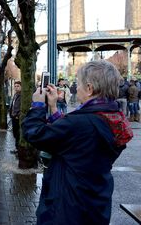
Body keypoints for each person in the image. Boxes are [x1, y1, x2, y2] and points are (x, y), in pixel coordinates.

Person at [22, 60, 133, 224]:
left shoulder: (81, 123)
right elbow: (74, 140)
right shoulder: (113, 118)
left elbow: (35, 134)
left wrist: (38, 105)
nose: (76, 88)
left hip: (67, 207)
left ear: (89, 88)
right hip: (95, 202)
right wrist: (53, 109)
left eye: (78, 84)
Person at [9, 81, 22, 154]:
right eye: (15, 86)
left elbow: (23, 107)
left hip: (17, 118)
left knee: (18, 134)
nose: (16, 88)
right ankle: (17, 147)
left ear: (21, 87)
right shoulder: (15, 95)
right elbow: (13, 105)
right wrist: (10, 113)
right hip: (13, 117)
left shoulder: (22, 95)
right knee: (15, 133)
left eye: (18, 86)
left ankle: (18, 149)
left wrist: (18, 115)